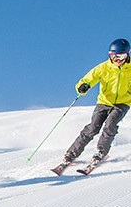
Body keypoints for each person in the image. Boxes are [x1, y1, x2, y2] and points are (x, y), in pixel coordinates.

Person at [56, 38, 131, 171]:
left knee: (110, 125)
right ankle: (71, 154)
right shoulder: (104, 68)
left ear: (127, 54)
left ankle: (100, 152)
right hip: (104, 102)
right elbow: (90, 78)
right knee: (92, 128)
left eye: (121, 56)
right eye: (114, 56)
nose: (117, 60)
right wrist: (83, 86)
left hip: (122, 103)